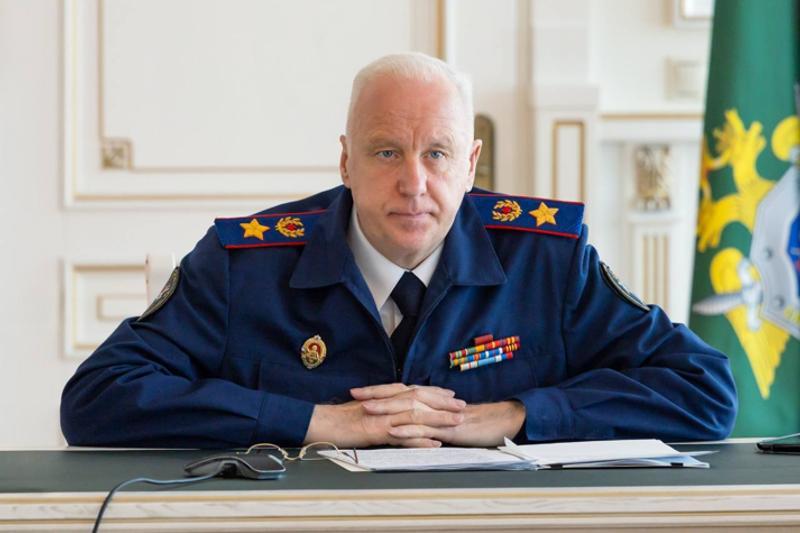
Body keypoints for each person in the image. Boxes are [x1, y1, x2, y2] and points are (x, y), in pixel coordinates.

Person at [60, 53, 737, 449]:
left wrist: (513, 416)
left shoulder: (547, 261)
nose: (414, 183)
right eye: (386, 152)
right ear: (345, 160)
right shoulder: (245, 263)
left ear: (471, 164)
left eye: (437, 153)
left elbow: (704, 390)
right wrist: (316, 421)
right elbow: (98, 397)